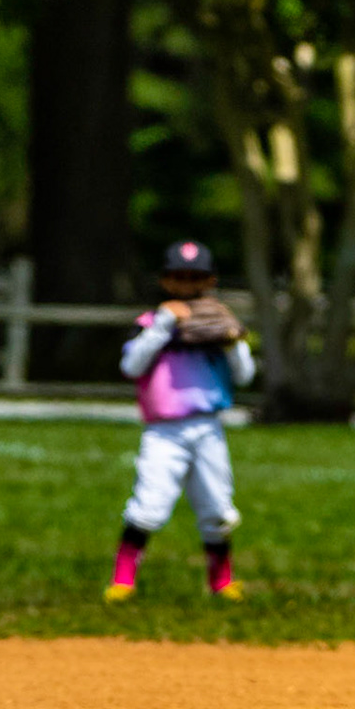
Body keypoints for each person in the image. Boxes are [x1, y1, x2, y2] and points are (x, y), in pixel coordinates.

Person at [104, 240, 256, 604]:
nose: (187, 285)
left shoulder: (220, 324)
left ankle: (222, 582)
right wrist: (163, 325)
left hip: (207, 427)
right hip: (164, 431)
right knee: (149, 504)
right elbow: (131, 366)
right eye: (179, 277)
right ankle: (123, 579)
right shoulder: (150, 323)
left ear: (210, 280)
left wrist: (233, 342)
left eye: (196, 278)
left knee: (217, 507)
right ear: (166, 281)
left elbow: (246, 375)